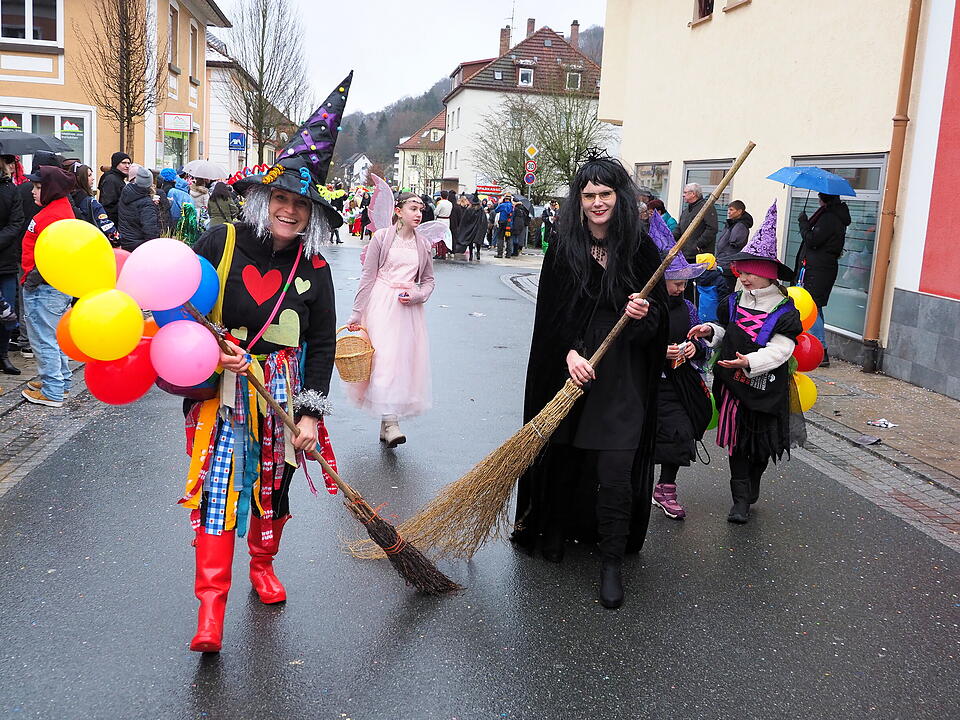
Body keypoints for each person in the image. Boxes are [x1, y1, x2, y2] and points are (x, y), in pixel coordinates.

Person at [182, 77, 350, 654]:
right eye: (281, 198)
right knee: (219, 486)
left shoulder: (316, 269)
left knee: (273, 485)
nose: (289, 210)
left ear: (311, 215)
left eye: (300, 205)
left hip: (281, 390)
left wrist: (310, 415)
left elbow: (322, 345)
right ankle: (210, 609)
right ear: (263, 198)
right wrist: (213, 350)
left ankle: (262, 564)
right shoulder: (221, 242)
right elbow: (179, 309)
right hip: (221, 388)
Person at [510, 154, 668, 610]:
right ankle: (555, 529)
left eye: (606, 194)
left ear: (620, 198)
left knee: (615, 469)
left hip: (622, 376)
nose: (597, 202)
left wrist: (642, 313)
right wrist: (570, 354)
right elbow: (550, 319)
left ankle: (611, 561)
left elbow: (660, 322)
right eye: (589, 195)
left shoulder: (641, 251)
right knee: (562, 454)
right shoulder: (564, 249)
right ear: (578, 201)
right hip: (573, 371)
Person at [688, 201, 804, 525]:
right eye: (742, 270)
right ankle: (739, 500)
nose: (744, 276)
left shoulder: (784, 311)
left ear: (768, 275)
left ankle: (753, 484)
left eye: (751, 271)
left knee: (761, 446)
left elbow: (782, 349)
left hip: (767, 389)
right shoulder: (735, 301)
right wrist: (710, 331)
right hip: (734, 388)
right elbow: (729, 333)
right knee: (737, 445)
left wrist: (750, 361)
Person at [346, 192, 434, 447]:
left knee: (401, 363)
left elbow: (429, 281)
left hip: (409, 311)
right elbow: (368, 276)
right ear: (398, 211)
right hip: (382, 304)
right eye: (413, 208)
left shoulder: (423, 244)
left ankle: (387, 423)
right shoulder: (382, 238)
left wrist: (418, 295)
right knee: (384, 360)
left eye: (421, 210)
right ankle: (392, 422)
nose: (418, 214)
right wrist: (356, 312)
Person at [646, 212, 713, 520]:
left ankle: (666, 488)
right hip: (645, 382)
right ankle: (634, 487)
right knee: (642, 437)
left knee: (679, 433)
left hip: (678, 383)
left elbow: (701, 343)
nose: (681, 289)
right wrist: (659, 351)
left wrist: (693, 348)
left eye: (685, 283)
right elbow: (629, 344)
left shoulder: (688, 307)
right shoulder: (646, 307)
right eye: (676, 283)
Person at [19, 166, 77, 408]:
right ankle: (60, 381)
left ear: (51, 189)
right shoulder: (57, 209)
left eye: (38, 187)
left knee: (44, 339)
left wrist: (33, 280)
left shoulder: (55, 215)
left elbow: (55, 256)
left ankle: (53, 390)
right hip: (51, 285)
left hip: (45, 287)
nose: (33, 191)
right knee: (54, 336)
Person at [794, 193, 850, 367]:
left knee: (813, 307)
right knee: (815, 307)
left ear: (825, 199)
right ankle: (817, 348)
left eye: (820, 197)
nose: (818, 199)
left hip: (818, 270)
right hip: (819, 268)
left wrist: (803, 223)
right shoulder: (830, 215)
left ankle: (821, 350)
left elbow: (813, 240)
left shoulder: (829, 218)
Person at [0, 156, 25, 375]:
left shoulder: (11, 190)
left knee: (8, 312)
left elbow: (17, 222)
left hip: (5, 261)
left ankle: (3, 355)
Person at [69, 163, 118, 243]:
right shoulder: (91, 202)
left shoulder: (67, 200)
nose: (93, 178)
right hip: (92, 241)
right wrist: (117, 240)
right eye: (89, 175)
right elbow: (105, 225)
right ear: (80, 179)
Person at [117, 166, 161, 251]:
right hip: (139, 245)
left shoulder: (126, 193)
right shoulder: (146, 203)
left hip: (124, 241)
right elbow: (150, 230)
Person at [715, 200, 753, 296]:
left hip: (728, 265)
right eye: (728, 209)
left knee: (725, 293)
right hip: (722, 262)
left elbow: (734, 242)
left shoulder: (740, 226)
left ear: (739, 211)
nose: (728, 212)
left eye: (731, 210)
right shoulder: (732, 224)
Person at [674, 182, 718, 261]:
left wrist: (698, 245)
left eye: (685, 192)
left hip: (700, 256)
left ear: (693, 194)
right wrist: (671, 237)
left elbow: (712, 228)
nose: (683, 195)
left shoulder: (706, 208)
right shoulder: (686, 211)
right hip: (685, 255)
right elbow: (679, 228)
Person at [97, 152, 131, 226]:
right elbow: (108, 206)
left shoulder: (118, 178)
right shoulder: (111, 179)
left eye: (129, 163)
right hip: (113, 223)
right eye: (124, 163)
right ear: (116, 164)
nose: (127, 166)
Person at [452, 193, 487, 261]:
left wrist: (463, 228)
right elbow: (484, 220)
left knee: (470, 241)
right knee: (478, 241)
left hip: (470, 228)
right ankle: (478, 253)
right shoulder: (481, 210)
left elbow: (464, 220)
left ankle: (471, 255)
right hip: (478, 228)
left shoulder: (469, 209)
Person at [493, 194, 514, 258]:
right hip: (509, 224)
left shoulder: (502, 205)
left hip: (502, 223)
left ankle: (500, 254)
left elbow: (496, 210)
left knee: (500, 238)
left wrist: (500, 203)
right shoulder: (512, 206)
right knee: (509, 239)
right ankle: (508, 254)